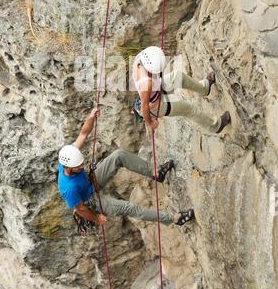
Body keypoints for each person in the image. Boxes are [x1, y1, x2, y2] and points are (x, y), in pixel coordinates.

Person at [58, 108, 195, 228]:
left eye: (81, 164)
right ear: (68, 168)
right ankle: (174, 219)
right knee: (129, 207)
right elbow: (81, 209)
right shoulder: (68, 189)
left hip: (89, 182)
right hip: (90, 200)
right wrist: (96, 218)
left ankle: (156, 173)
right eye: (78, 166)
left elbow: (83, 133)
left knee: (119, 155)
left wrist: (91, 117)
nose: (82, 167)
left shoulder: (69, 154)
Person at [133, 46, 231, 133]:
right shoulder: (146, 83)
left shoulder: (141, 57)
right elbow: (144, 107)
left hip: (156, 89)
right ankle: (216, 126)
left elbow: (154, 59)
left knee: (178, 76)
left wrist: (160, 55)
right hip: (154, 106)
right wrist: (151, 123)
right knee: (188, 108)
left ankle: (204, 88)